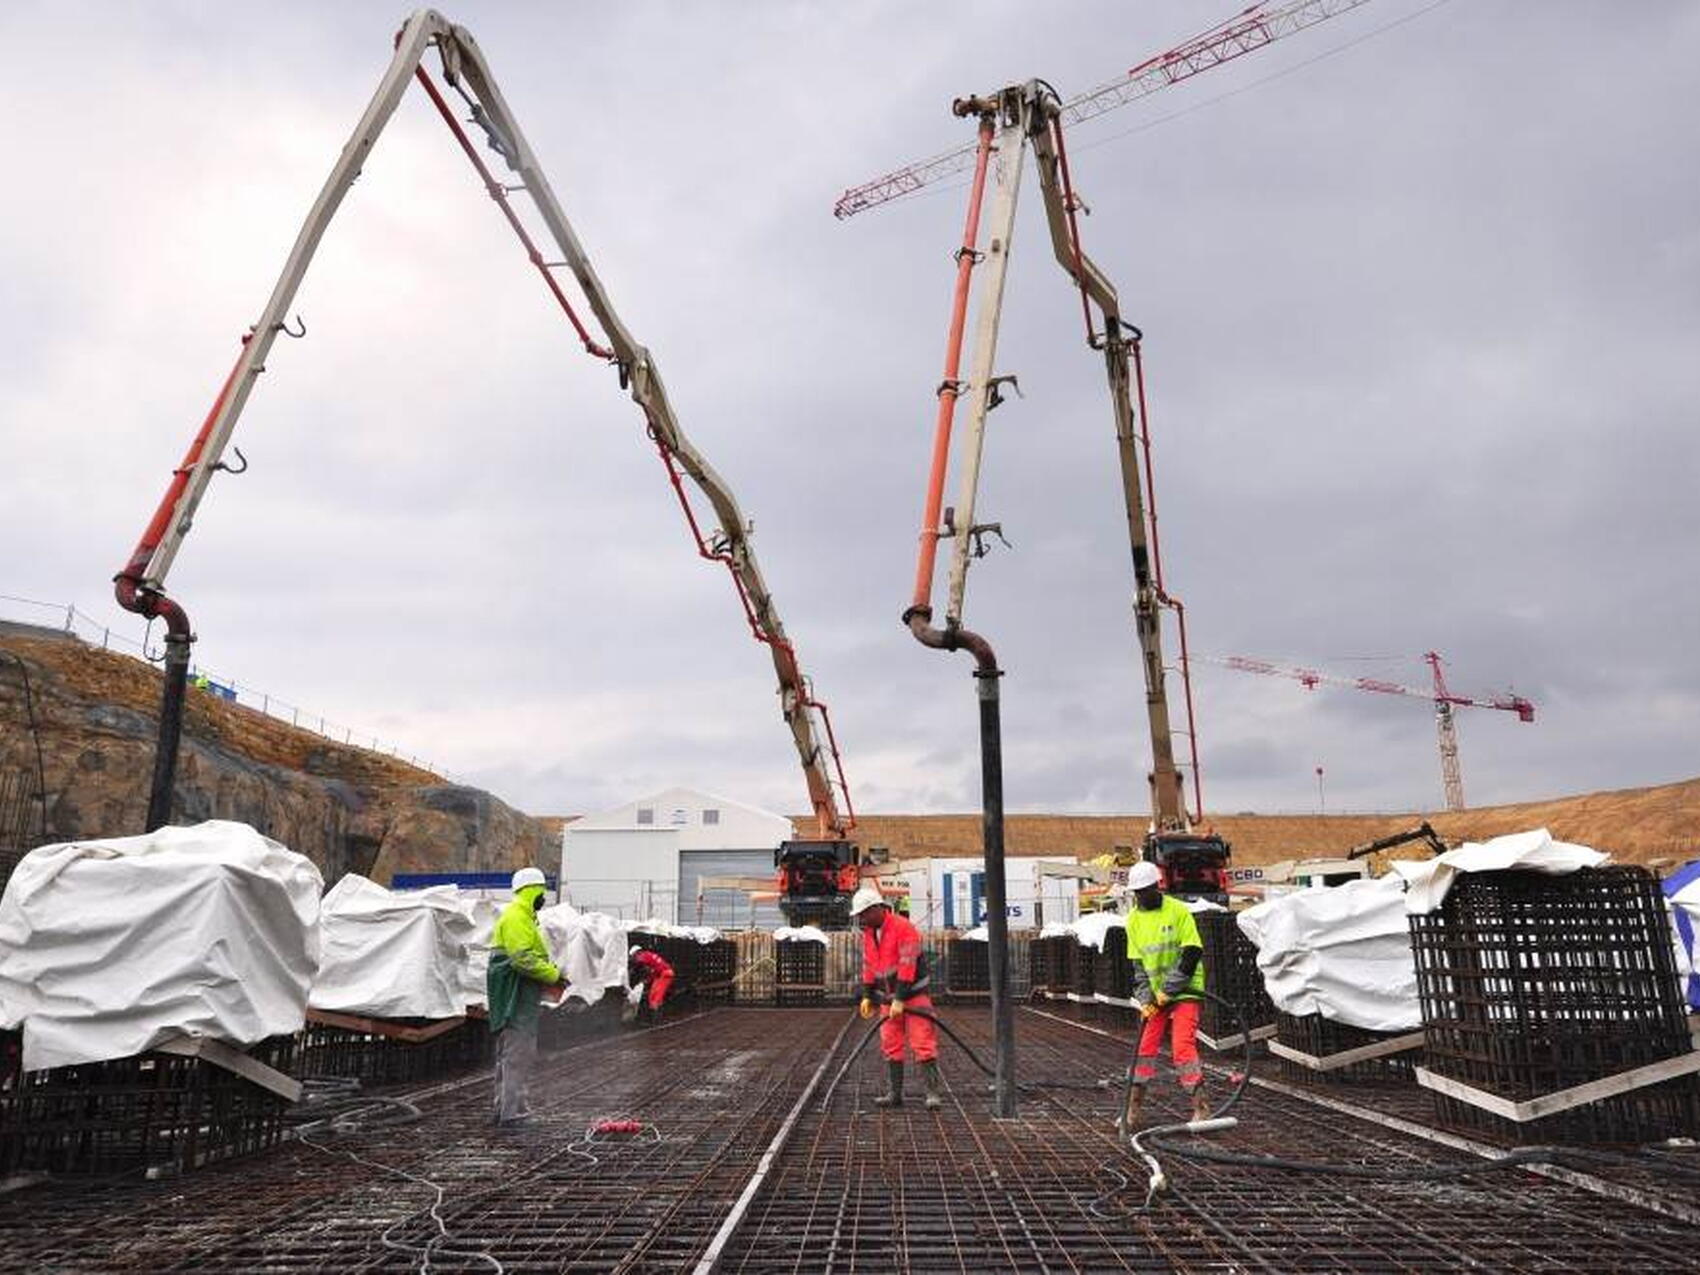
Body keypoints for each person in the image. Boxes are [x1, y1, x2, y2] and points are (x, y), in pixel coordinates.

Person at [1121, 860, 1209, 1132]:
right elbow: (1138, 967)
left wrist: (1167, 991)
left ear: (1156, 886)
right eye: (1137, 892)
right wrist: (1147, 998)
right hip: (1157, 995)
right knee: (1144, 1049)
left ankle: (1201, 1108)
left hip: (1185, 990)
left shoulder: (1178, 912)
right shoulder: (1133, 920)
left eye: (1145, 891)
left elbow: (1192, 953)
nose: (1141, 897)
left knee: (1182, 1046)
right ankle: (1132, 1111)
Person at [851, 884, 942, 1110]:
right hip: (887, 1000)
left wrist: (900, 998)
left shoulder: (904, 928)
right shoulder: (870, 934)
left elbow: (907, 965)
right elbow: (869, 966)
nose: (861, 919)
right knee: (891, 1044)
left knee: (923, 1042)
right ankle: (895, 1094)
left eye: (863, 914)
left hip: (914, 996)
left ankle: (932, 1094)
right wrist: (868, 995)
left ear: (877, 909)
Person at [486, 867, 565, 1127]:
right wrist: (553, 975)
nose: (543, 897)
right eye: (541, 892)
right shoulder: (517, 916)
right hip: (515, 998)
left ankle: (506, 1108)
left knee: (512, 1054)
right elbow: (522, 958)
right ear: (533, 890)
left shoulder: (523, 917)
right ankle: (511, 1114)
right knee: (517, 1054)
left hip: (519, 997)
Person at [624, 945, 674, 1023]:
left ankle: (656, 1020)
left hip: (665, 974)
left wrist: (632, 971)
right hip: (660, 975)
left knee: (655, 997)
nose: (634, 959)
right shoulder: (648, 955)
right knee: (653, 996)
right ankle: (656, 1018)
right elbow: (652, 969)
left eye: (633, 956)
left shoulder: (643, 956)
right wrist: (646, 980)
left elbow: (642, 965)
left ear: (637, 953)